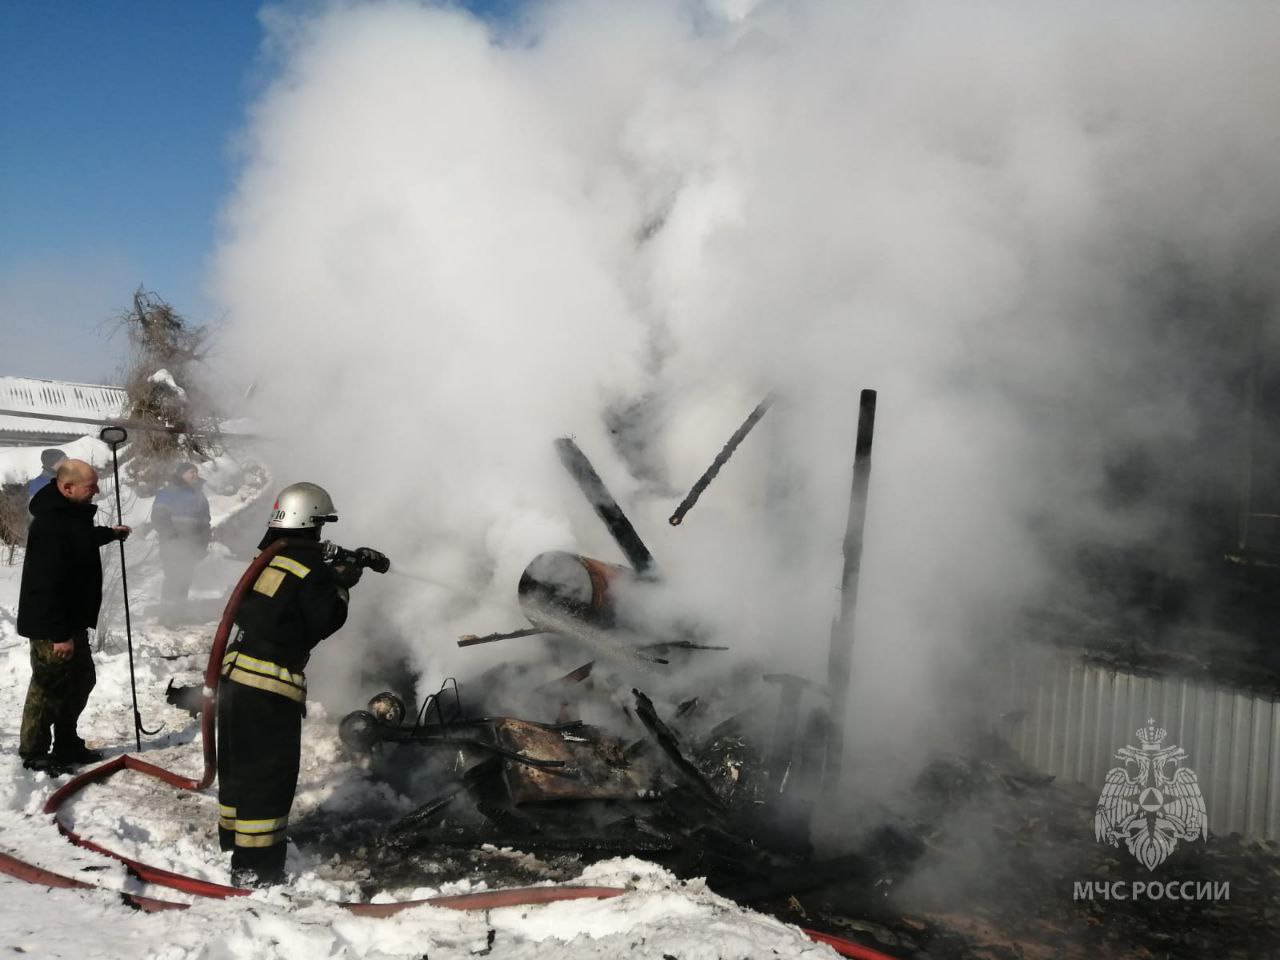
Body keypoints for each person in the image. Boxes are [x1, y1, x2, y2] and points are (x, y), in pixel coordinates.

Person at [217, 481, 383, 887]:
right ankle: (256, 871)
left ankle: (236, 844)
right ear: (311, 521)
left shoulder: (270, 558)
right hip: (269, 684)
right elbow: (324, 621)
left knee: (240, 767)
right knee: (269, 775)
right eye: (321, 526)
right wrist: (342, 583)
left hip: (236, 675)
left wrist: (335, 563)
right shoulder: (310, 571)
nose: (323, 534)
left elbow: (278, 598)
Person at [17, 459, 131, 773]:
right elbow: (46, 584)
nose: (96, 490)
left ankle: (66, 743)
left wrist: (109, 533)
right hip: (52, 625)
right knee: (49, 687)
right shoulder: (51, 525)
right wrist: (59, 635)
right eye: (90, 485)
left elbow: (78, 540)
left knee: (81, 680)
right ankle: (34, 753)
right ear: (67, 488)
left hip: (70, 621)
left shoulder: (68, 515)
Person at [150, 462, 211, 621]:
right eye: (191, 472)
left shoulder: (199, 496)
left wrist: (203, 544)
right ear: (181, 474)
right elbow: (159, 518)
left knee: (185, 579)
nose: (195, 475)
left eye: (196, 472)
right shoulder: (167, 493)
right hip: (173, 546)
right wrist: (173, 540)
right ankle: (167, 616)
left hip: (192, 546)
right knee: (173, 578)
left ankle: (179, 613)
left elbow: (205, 523)